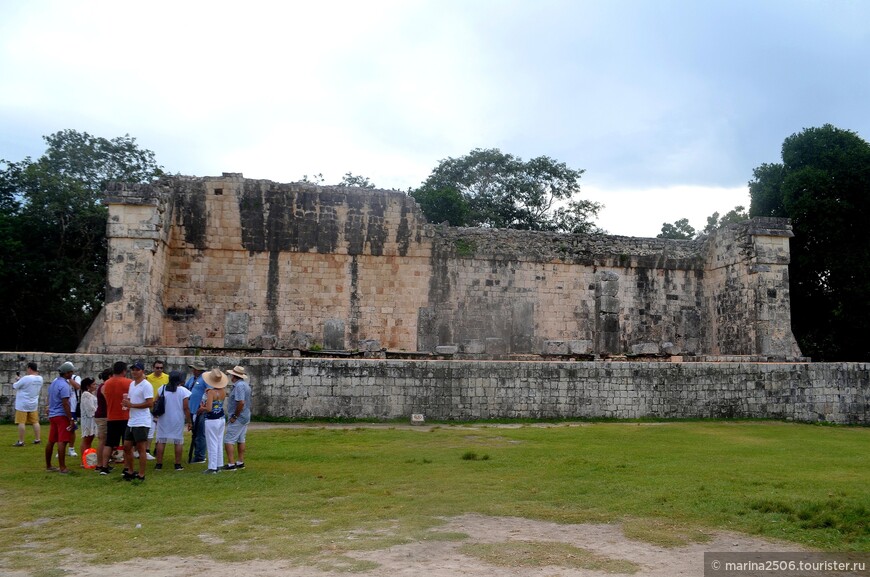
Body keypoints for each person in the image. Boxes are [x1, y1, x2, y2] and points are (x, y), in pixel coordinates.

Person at [122, 361, 153, 481]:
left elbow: (149, 403)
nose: (134, 372)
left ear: (142, 371)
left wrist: (132, 405)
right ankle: (130, 470)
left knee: (141, 448)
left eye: (137, 370)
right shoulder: (132, 384)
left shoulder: (146, 385)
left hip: (141, 420)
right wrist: (127, 404)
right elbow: (130, 399)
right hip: (132, 420)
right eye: (133, 369)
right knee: (127, 446)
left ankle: (141, 473)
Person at [98, 361, 131, 475]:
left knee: (109, 443)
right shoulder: (129, 383)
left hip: (112, 416)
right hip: (125, 416)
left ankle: (104, 467)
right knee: (127, 443)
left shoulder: (106, 383)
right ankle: (126, 467)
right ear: (124, 371)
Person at [154, 370, 191, 471]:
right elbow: (186, 407)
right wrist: (189, 421)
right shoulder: (183, 391)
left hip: (163, 418)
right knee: (178, 441)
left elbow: (156, 401)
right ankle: (177, 464)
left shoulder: (163, 388)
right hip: (177, 418)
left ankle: (159, 464)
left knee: (161, 440)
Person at [45, 361, 76, 473]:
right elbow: (65, 403)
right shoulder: (64, 385)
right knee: (62, 440)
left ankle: (48, 465)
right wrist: (70, 418)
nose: (72, 374)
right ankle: (62, 467)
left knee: (51, 440)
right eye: (71, 372)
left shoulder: (54, 383)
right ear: (66, 373)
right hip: (61, 415)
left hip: (53, 415)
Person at [223, 365, 252, 471]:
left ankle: (231, 463)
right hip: (245, 415)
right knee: (241, 439)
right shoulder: (245, 385)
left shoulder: (239, 386)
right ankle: (240, 461)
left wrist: (235, 416)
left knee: (229, 440)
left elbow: (241, 402)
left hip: (239, 416)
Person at [200, 368, 228, 474]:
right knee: (219, 441)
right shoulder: (223, 391)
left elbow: (209, 408)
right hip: (221, 418)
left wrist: (202, 408)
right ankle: (218, 464)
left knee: (212, 442)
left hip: (212, 419)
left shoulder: (211, 392)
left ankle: (212, 467)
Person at [12, 362, 43, 446]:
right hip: (33, 403)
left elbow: (15, 386)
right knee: (35, 422)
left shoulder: (26, 378)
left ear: (29, 368)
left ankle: (21, 441)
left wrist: (18, 380)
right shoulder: (40, 378)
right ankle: (37, 439)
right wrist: (20, 380)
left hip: (22, 403)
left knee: (21, 422)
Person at [143, 360, 168, 460]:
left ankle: (157, 448)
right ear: (153, 368)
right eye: (157, 368)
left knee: (161, 430)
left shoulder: (167, 378)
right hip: (151, 406)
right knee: (150, 429)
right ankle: (147, 450)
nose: (159, 370)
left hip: (162, 406)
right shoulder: (148, 378)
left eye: (161, 368)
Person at [185, 361, 208, 464]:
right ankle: (197, 453)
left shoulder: (205, 379)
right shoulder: (192, 379)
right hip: (192, 408)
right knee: (195, 433)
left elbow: (209, 392)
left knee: (200, 433)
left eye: (195, 369)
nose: (193, 370)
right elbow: (186, 387)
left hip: (200, 410)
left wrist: (204, 406)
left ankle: (200, 455)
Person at [93, 368, 111, 471]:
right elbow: (108, 400)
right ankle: (100, 464)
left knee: (105, 440)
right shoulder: (104, 387)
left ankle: (103, 462)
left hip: (102, 415)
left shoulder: (102, 386)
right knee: (103, 441)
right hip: (103, 416)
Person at [78, 378, 98, 457]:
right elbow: (90, 409)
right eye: (93, 384)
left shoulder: (90, 395)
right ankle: (84, 459)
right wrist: (98, 412)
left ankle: (87, 457)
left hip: (92, 420)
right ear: (88, 386)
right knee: (86, 440)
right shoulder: (86, 395)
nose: (95, 386)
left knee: (89, 439)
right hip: (88, 420)